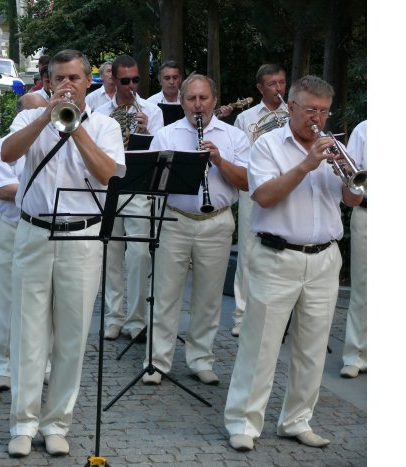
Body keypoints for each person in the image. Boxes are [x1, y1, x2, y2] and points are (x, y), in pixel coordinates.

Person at [224, 75, 363, 452]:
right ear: (292, 107)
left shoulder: (334, 147)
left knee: (313, 347)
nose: (317, 118)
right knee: (260, 345)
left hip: (324, 257)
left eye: (323, 111)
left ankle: (297, 419)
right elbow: (265, 197)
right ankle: (243, 423)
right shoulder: (267, 145)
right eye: (310, 110)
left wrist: (350, 179)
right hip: (277, 255)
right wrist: (306, 164)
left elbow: (351, 201)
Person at [1, 49, 125, 458]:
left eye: (74, 77)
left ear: (88, 80)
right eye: (59, 78)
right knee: (27, 333)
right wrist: (45, 118)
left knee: (72, 336)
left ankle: (57, 423)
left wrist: (76, 129)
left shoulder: (105, 126)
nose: (67, 84)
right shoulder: (27, 118)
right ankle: (23, 422)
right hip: (34, 234)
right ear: (48, 81)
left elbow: (110, 176)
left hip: (82, 238)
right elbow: (7, 154)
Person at [145, 74, 250, 386]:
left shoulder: (234, 137)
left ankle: (200, 359)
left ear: (214, 101)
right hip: (174, 219)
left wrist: (218, 160)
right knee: (165, 295)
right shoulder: (165, 136)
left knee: (208, 298)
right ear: (182, 101)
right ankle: (157, 361)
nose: (198, 105)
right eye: (191, 99)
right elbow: (152, 183)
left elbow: (245, 181)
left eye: (203, 98)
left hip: (216, 222)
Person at [94, 54, 163, 342]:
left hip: (137, 187)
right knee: (110, 254)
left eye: (136, 80)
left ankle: (136, 320)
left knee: (138, 255)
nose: (132, 86)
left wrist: (148, 131)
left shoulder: (152, 109)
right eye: (126, 81)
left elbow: (161, 150)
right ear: (113, 78)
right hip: (107, 185)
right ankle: (113, 316)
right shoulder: (96, 107)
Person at [0, 93, 49, 391]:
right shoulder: (2, 146)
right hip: (12, 227)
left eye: (44, 111)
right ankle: (2, 365)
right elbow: (3, 190)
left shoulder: (53, 142)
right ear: (21, 114)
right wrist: (40, 192)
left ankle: (42, 362)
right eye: (35, 112)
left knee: (44, 300)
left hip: (43, 229)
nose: (40, 116)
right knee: (8, 299)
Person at [230, 64, 287, 337]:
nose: (278, 89)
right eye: (272, 84)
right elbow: (241, 156)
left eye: (282, 83)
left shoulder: (293, 114)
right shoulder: (246, 118)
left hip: (287, 186)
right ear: (260, 88)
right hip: (253, 188)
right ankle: (241, 314)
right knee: (248, 250)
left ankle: (279, 314)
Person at [341, 119, 367, 378]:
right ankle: (355, 354)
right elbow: (352, 178)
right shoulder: (364, 130)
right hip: (368, 213)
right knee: (363, 286)